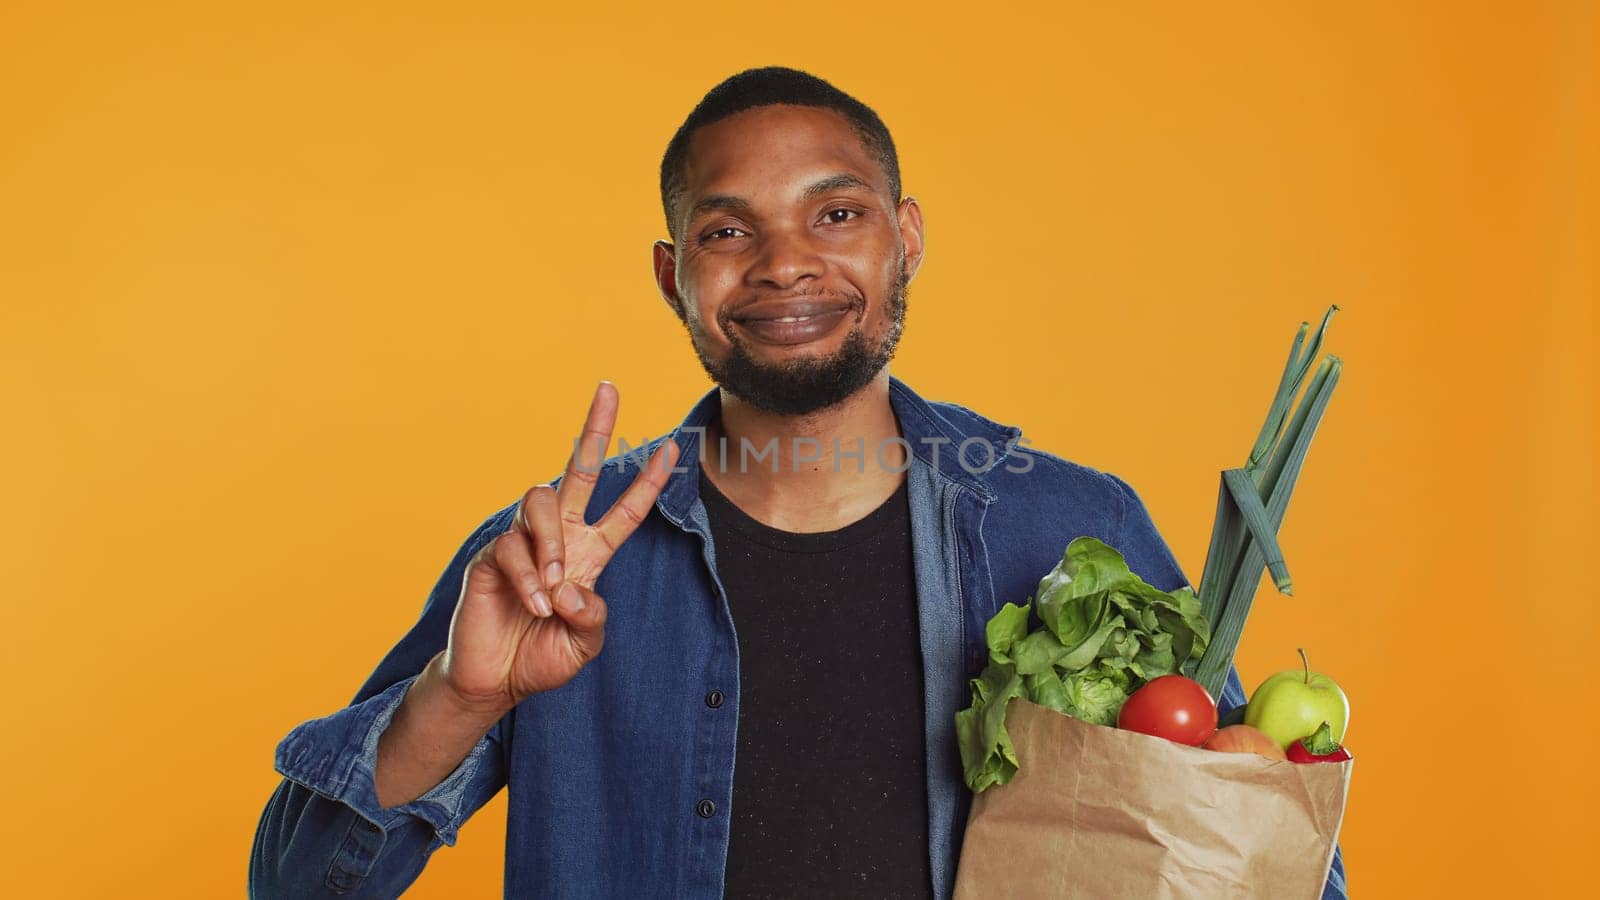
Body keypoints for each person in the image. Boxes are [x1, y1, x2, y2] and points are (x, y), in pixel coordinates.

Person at [248, 66, 1348, 899]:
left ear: (904, 241)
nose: (784, 263)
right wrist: (462, 699)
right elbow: (299, 884)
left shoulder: (1071, 532)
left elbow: (1267, 860)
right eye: (729, 230)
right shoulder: (553, 560)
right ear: (673, 275)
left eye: (836, 213)